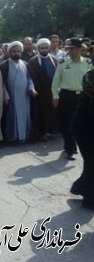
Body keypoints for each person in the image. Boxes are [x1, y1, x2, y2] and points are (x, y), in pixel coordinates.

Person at [51, 38, 92, 160]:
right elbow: (56, 81)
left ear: (80, 49)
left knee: (84, 123)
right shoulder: (63, 63)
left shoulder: (88, 63)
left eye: (73, 49)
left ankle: (82, 146)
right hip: (67, 96)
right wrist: (55, 96)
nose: (70, 51)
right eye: (68, 49)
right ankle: (70, 149)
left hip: (84, 96)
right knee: (67, 124)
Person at [0, 41, 38, 142]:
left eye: (18, 51)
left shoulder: (25, 64)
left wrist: (31, 88)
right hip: (10, 96)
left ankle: (24, 136)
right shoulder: (4, 65)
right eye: (14, 51)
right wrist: (5, 95)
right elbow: (2, 83)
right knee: (12, 116)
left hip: (24, 96)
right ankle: (12, 137)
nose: (16, 53)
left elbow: (30, 79)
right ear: (9, 52)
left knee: (24, 116)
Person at [70, 69, 94, 210]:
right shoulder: (90, 77)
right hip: (85, 129)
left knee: (91, 162)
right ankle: (89, 201)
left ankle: (79, 187)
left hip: (86, 127)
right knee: (92, 162)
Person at [28, 38, 59, 142]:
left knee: (53, 112)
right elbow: (31, 77)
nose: (44, 50)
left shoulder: (54, 59)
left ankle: (52, 131)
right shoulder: (33, 61)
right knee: (42, 113)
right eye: (42, 48)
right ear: (38, 48)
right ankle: (43, 133)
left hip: (53, 91)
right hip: (40, 92)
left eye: (46, 48)